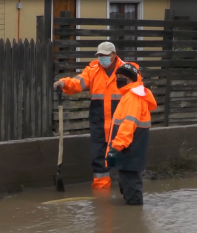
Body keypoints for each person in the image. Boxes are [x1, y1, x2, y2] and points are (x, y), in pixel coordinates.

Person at [53, 42, 138, 189]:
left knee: (124, 153)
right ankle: (101, 192)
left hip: (122, 120)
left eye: (105, 55)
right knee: (99, 156)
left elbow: (137, 92)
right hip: (98, 119)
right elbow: (77, 83)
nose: (102, 58)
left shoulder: (128, 70)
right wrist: (64, 83)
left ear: (114, 55)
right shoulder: (92, 70)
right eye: (100, 55)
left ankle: (128, 188)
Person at [106, 63, 157, 205]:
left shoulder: (132, 97)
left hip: (129, 150)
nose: (118, 80)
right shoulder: (131, 95)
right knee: (127, 182)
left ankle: (134, 219)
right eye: (117, 77)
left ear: (130, 79)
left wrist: (116, 148)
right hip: (130, 150)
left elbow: (128, 125)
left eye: (121, 77)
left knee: (131, 185)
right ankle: (131, 217)